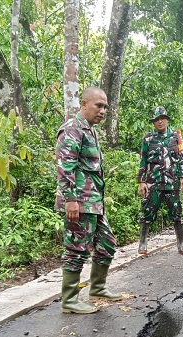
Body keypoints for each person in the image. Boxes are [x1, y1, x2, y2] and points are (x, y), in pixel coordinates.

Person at [55, 86, 122, 314]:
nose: (103, 111)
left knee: (107, 244)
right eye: (98, 106)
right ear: (83, 104)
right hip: (79, 202)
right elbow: (65, 168)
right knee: (76, 249)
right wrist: (71, 200)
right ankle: (70, 300)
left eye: (105, 107)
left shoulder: (90, 130)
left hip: (93, 202)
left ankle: (98, 288)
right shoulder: (72, 130)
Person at [137, 106, 183, 255]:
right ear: (153, 123)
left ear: (166, 120)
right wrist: (141, 181)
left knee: (177, 213)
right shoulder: (148, 138)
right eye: (156, 120)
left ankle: (181, 243)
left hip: (172, 182)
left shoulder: (176, 137)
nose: (159, 122)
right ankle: (142, 243)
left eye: (162, 119)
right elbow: (143, 160)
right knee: (147, 212)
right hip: (153, 182)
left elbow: (182, 158)